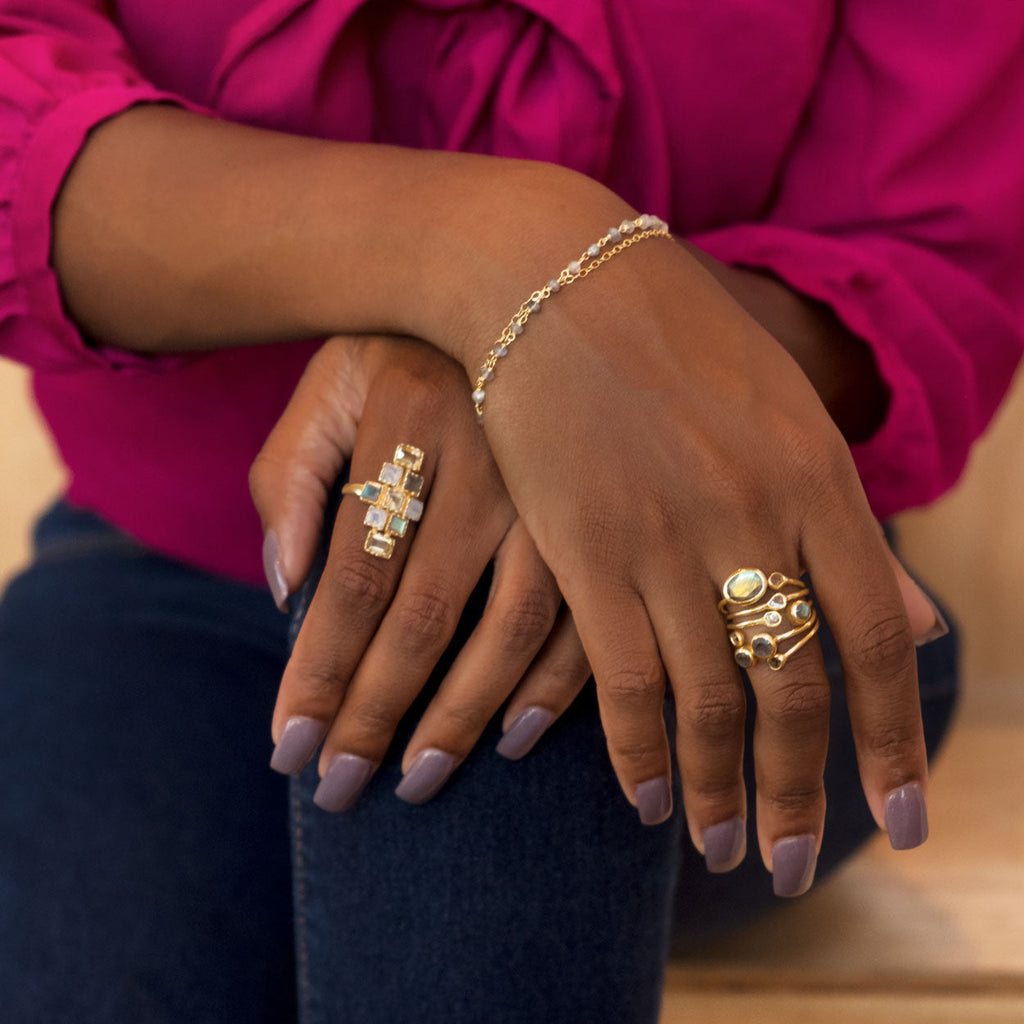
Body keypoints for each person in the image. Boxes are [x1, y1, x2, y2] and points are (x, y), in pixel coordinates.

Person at [0, 2, 1021, 1022]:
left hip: (728, 586)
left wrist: (577, 374)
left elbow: (936, 261)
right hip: (170, 570)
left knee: (516, 636)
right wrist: (493, 252)